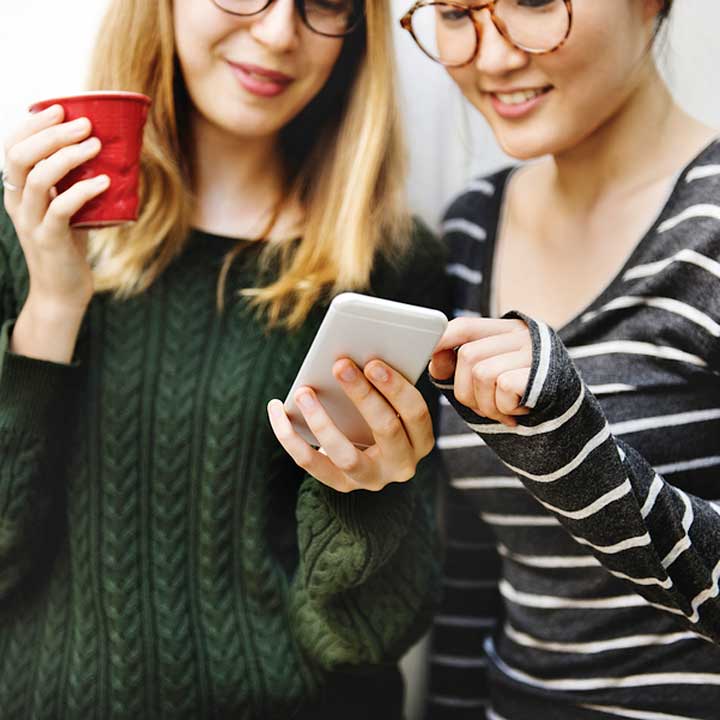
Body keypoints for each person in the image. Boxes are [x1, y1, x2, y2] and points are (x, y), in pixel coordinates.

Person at [0, 0, 448, 717]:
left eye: (324, 3)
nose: (278, 34)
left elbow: (369, 637)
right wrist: (53, 306)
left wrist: (372, 500)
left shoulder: (391, 271)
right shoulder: (27, 230)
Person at [398, 0, 720, 718]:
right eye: (454, 13)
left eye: (536, 2)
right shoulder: (470, 227)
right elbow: (476, 572)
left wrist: (570, 450)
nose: (493, 57)